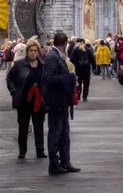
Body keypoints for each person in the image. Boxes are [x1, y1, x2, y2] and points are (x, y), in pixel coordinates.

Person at [42, 31, 80, 175]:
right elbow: (50, 80)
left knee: (64, 133)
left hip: (62, 101)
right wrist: (69, 77)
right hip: (56, 101)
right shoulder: (53, 57)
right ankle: (54, 164)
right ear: (64, 43)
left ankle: (65, 162)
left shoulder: (57, 56)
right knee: (56, 133)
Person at [7, 38, 47, 159]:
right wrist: (14, 92)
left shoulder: (43, 65)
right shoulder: (20, 65)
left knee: (39, 127)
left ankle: (40, 151)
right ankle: (22, 151)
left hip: (38, 101)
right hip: (24, 100)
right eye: (31, 50)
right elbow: (10, 79)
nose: (33, 53)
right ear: (27, 51)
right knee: (23, 127)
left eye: (35, 50)